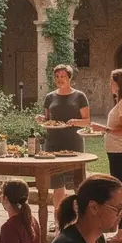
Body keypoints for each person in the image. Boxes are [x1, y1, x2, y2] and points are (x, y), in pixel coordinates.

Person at [83, 68, 122, 243]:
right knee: (121, 194)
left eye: (112, 81)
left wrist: (104, 129)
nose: (110, 84)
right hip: (119, 153)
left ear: (120, 83)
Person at [36, 64, 90, 224]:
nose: (60, 80)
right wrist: (41, 119)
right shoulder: (50, 97)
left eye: (63, 77)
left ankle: (81, 220)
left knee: (77, 184)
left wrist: (75, 122)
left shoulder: (80, 96)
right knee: (57, 184)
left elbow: (87, 121)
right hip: (53, 143)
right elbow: (48, 120)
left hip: (74, 143)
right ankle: (59, 221)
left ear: (69, 78)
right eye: (57, 77)